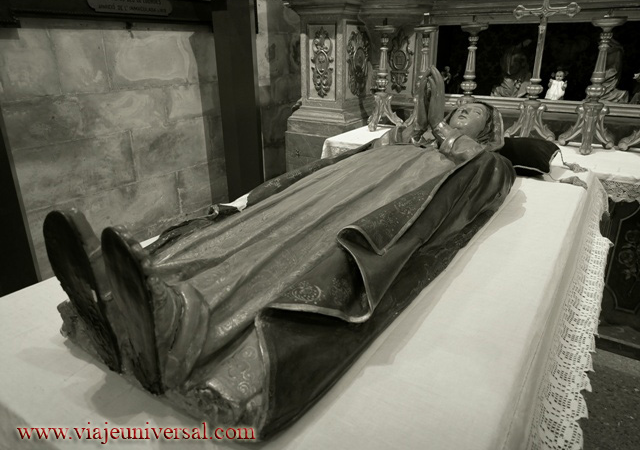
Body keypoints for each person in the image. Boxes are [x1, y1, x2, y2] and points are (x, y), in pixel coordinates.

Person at [44, 66, 515, 440]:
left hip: (371, 208)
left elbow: (473, 185)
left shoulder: (490, 164)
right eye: (457, 107)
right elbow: (383, 142)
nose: (461, 112)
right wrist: (419, 123)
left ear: (490, 130)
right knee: (251, 229)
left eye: (472, 112)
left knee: (283, 258)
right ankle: (130, 289)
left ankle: (184, 324)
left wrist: (438, 127)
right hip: (327, 189)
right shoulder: (413, 139)